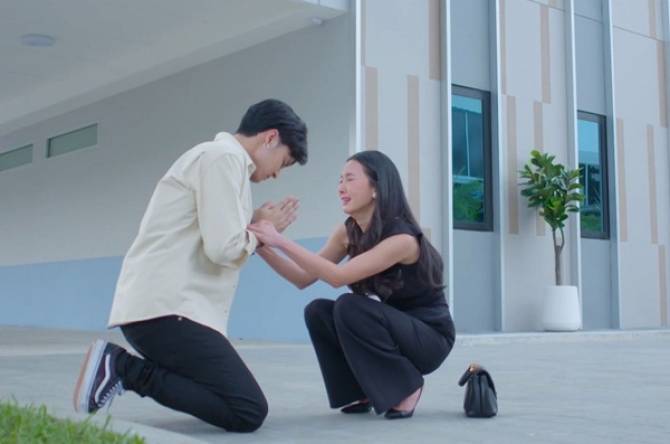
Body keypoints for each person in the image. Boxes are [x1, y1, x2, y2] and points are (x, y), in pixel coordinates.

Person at [72, 99, 308, 432]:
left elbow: (214, 233)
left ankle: (122, 368)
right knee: (247, 409)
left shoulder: (221, 161)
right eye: (283, 162)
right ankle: (122, 368)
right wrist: (262, 235)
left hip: (162, 312)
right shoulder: (223, 159)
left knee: (241, 404)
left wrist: (254, 224)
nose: (276, 174)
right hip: (167, 312)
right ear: (270, 138)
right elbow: (223, 248)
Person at [248, 150, 455, 419]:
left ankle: (407, 386)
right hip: (395, 328)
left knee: (350, 305)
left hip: (429, 339)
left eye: (350, 179)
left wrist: (279, 240)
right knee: (318, 311)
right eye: (339, 180)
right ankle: (360, 389)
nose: (341, 188)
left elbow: (338, 277)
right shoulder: (347, 232)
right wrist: (259, 243)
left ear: (376, 188)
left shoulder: (402, 239)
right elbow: (302, 278)